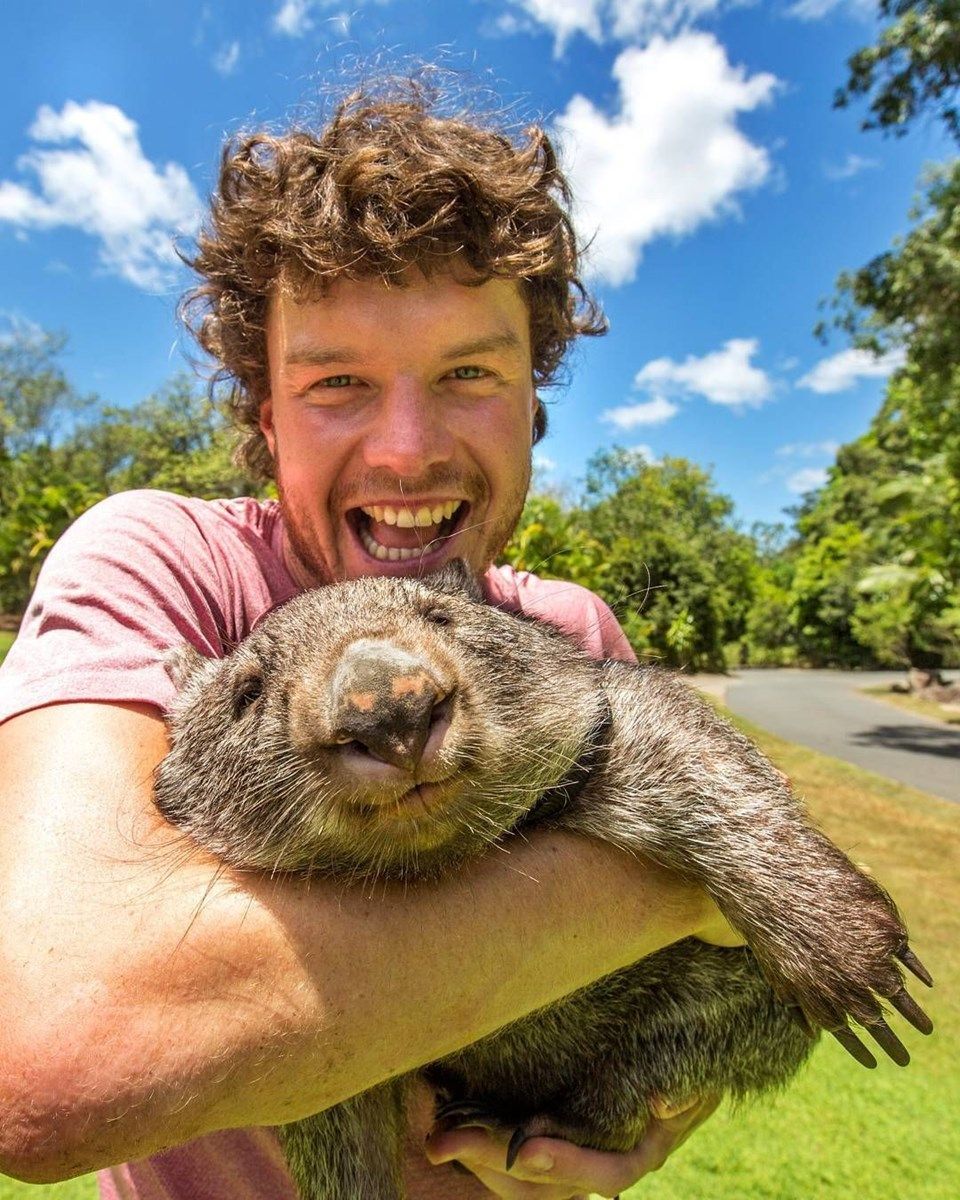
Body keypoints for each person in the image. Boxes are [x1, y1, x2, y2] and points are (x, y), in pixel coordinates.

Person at [0, 79, 739, 1200]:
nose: (406, 451)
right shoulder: (169, 570)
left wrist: (653, 1111)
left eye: (469, 374)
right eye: (337, 382)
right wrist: (696, 873)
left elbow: (674, 1001)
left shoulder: (571, 631)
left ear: (531, 409)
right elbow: (51, 1054)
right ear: (267, 418)